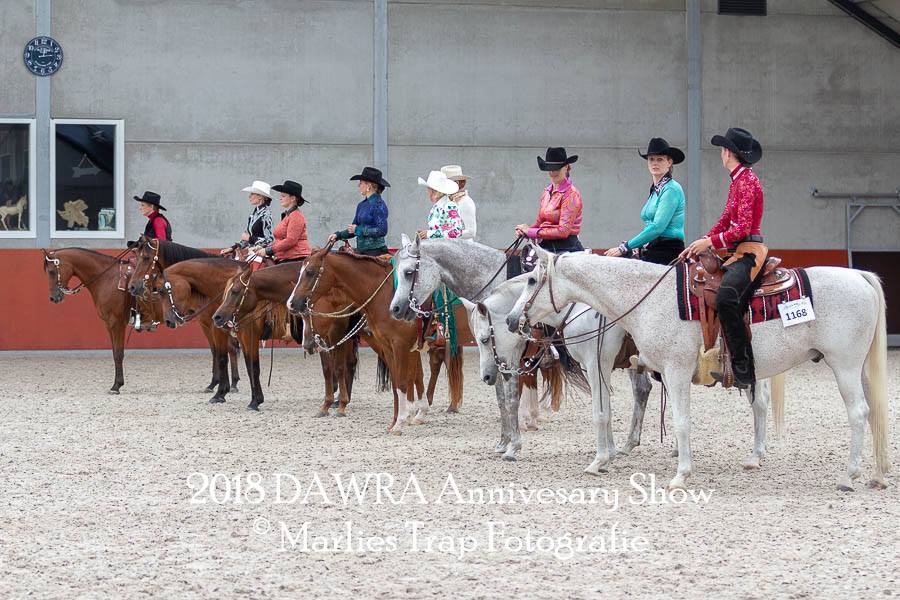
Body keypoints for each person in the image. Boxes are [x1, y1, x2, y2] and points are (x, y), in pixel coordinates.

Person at [680, 127, 765, 389]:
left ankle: (742, 369)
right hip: (735, 251)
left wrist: (710, 242)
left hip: (749, 250)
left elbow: (741, 228)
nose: (721, 153)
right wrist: (700, 243)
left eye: (722, 149)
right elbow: (725, 221)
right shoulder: (737, 181)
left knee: (727, 297)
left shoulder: (748, 181)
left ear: (728, 152)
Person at [605, 138, 685, 264]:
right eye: (651, 159)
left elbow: (657, 227)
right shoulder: (657, 189)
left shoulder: (671, 189)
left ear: (669, 162)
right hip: (653, 247)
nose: (655, 163)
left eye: (660, 159)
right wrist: (637, 245)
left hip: (667, 250)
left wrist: (625, 247)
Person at [514, 147, 584, 253]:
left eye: (556, 168)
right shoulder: (546, 192)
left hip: (566, 248)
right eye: (549, 169)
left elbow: (563, 231)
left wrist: (531, 232)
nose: (552, 172)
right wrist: (525, 231)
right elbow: (539, 223)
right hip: (545, 246)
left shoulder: (571, 194)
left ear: (566, 167)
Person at [328, 166, 390, 256]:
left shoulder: (379, 205)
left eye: (361, 183)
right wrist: (338, 235)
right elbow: (352, 230)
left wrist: (358, 230)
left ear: (368, 185)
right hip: (362, 252)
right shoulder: (361, 205)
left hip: (376, 253)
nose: (358, 186)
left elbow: (382, 230)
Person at [251, 180, 311, 263]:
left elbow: (291, 240)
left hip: (295, 258)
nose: (280, 198)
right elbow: (280, 240)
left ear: (293, 198)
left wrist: (268, 251)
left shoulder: (296, 216)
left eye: (283, 196)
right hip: (285, 258)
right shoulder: (289, 215)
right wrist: (264, 247)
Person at [220, 180, 274, 255]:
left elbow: (269, 240)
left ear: (260, 197)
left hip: (261, 254)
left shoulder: (266, 215)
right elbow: (246, 239)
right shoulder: (253, 214)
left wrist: (249, 238)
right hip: (251, 252)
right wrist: (232, 248)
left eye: (252, 194)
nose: (249, 196)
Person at [416, 170, 462, 240]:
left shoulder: (449, 206)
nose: (427, 192)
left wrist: (429, 234)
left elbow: (457, 232)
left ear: (433, 191)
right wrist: (424, 234)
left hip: (446, 249)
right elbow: (441, 229)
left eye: (428, 189)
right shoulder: (436, 207)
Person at [441, 165, 477, 240]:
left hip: (463, 249)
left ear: (456, 183)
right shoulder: (448, 201)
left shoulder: (465, 202)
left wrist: (445, 234)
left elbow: (471, 232)